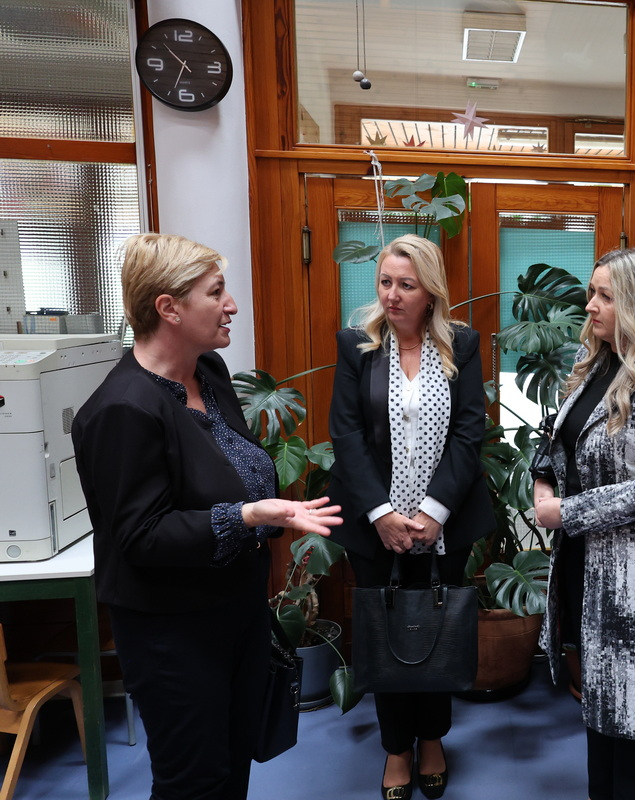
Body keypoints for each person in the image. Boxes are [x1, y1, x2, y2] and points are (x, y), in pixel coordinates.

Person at [71, 233, 342, 800]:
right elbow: (142, 536)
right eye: (216, 292)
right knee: (194, 782)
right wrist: (246, 516)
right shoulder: (122, 409)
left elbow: (231, 467)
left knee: (233, 767)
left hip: (235, 615)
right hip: (173, 633)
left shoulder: (209, 372)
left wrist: (261, 512)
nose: (231, 305)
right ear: (168, 308)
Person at [327, 234, 492, 800]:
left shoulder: (461, 344)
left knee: (438, 629)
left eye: (406, 284)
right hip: (374, 524)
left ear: (431, 292)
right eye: (385, 282)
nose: (392, 295)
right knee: (385, 633)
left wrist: (434, 511)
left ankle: (433, 739)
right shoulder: (357, 346)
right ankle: (397, 747)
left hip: (444, 525)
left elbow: (469, 431)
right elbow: (346, 434)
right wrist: (380, 513)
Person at [533, 247, 635, 800]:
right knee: (602, 721)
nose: (590, 305)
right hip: (589, 568)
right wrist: (542, 483)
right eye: (592, 292)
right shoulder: (594, 363)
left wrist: (566, 512)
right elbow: (557, 441)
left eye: (605, 295)